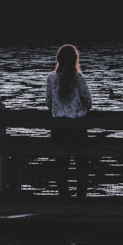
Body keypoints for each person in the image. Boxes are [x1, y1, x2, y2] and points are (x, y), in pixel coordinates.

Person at [46, 44, 92, 198]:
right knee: (81, 163)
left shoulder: (51, 78)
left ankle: (64, 196)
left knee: (61, 164)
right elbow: (88, 101)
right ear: (75, 60)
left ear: (58, 59)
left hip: (59, 129)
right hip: (78, 128)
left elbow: (48, 103)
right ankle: (81, 196)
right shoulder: (79, 77)